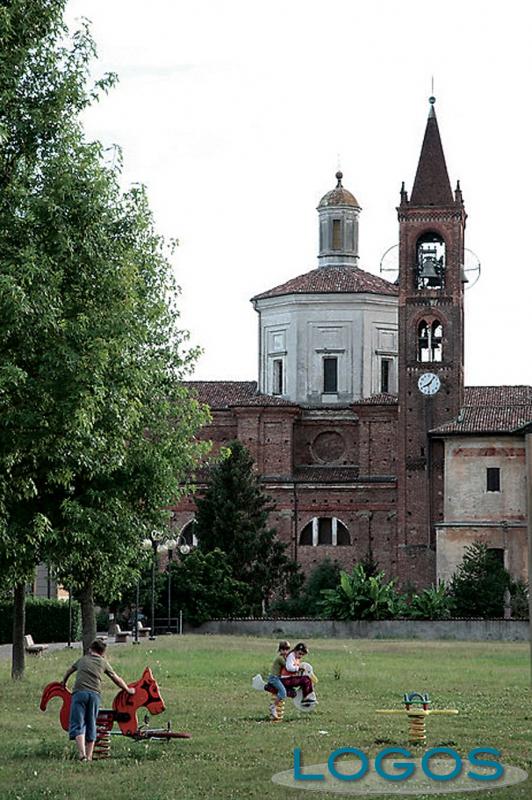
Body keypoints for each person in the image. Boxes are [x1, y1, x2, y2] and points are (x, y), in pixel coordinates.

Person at [61, 638, 135, 761]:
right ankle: (89, 757)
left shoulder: (83, 659)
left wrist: (64, 682)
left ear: (90, 649)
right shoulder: (103, 662)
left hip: (79, 694)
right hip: (94, 695)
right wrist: (128, 690)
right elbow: (115, 678)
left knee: (78, 722)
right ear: (103, 652)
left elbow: (70, 670)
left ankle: (82, 755)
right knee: (91, 723)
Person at [267, 640, 291, 720]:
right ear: (280, 650)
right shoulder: (280, 658)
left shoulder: (284, 657)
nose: (285, 651)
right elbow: (288, 666)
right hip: (274, 678)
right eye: (283, 650)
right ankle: (273, 706)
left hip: (278, 678)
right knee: (283, 692)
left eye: (287, 650)